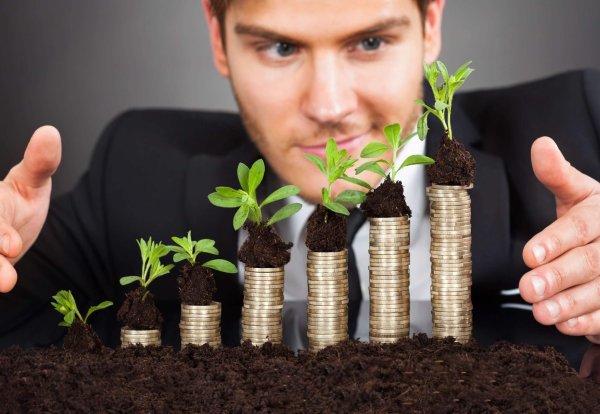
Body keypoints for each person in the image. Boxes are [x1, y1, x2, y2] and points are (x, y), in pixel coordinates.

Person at [0, 0, 599, 366]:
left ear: (430, 23)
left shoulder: (584, 123)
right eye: (281, 47)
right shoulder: (133, 168)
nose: (330, 106)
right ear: (219, 36)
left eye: (370, 42)